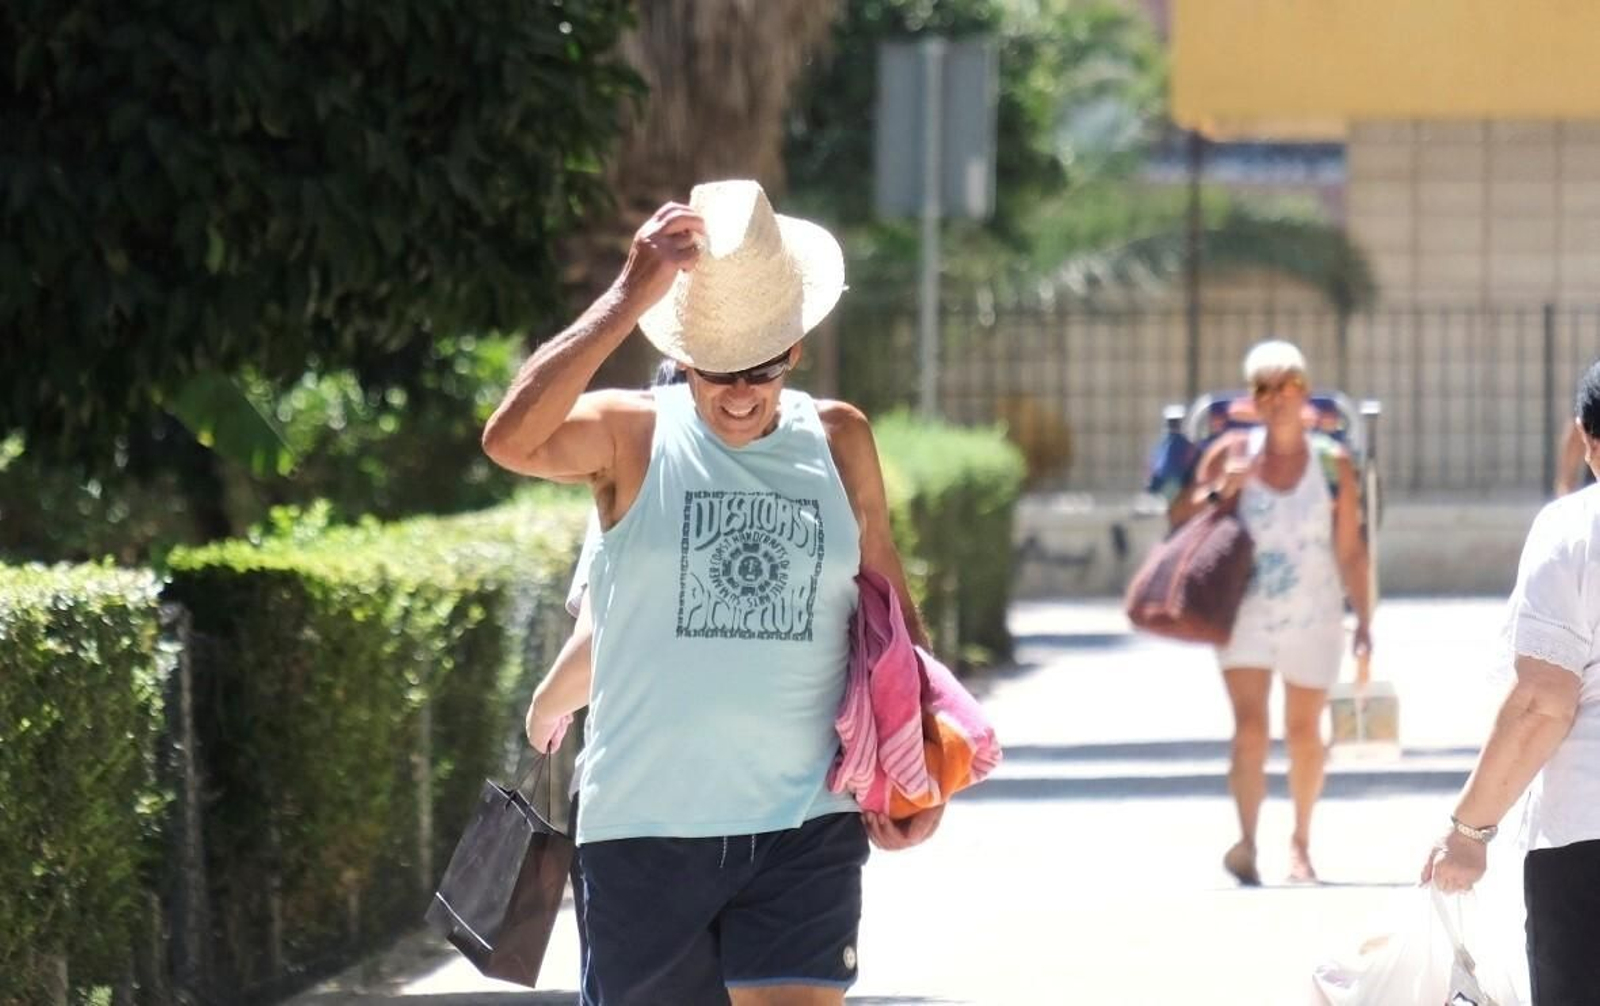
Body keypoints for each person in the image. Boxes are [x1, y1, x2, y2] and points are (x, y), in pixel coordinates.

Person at [483, 179, 941, 1006]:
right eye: (718, 368)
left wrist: (922, 760)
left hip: (808, 821)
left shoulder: (840, 437)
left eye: (760, 368)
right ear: (685, 356)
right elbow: (513, 439)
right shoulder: (632, 435)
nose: (738, 392)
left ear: (795, 349)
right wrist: (630, 295)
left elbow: (888, 612)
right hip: (646, 830)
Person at [1424, 359, 1600, 1005]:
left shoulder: (1574, 530)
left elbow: (1543, 703)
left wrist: (1470, 832)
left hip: (1588, 836)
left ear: (1587, 438)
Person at [1169, 340, 1373, 886]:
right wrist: (1219, 491)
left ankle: (1301, 844)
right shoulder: (1230, 454)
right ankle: (1248, 840)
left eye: (1287, 386)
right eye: (1264, 388)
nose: (1277, 398)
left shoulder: (1333, 464)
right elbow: (1179, 516)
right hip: (1244, 614)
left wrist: (1367, 624)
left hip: (1316, 613)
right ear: (1252, 399)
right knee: (1249, 731)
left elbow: (1352, 549)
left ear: (1304, 393)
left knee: (1305, 731)